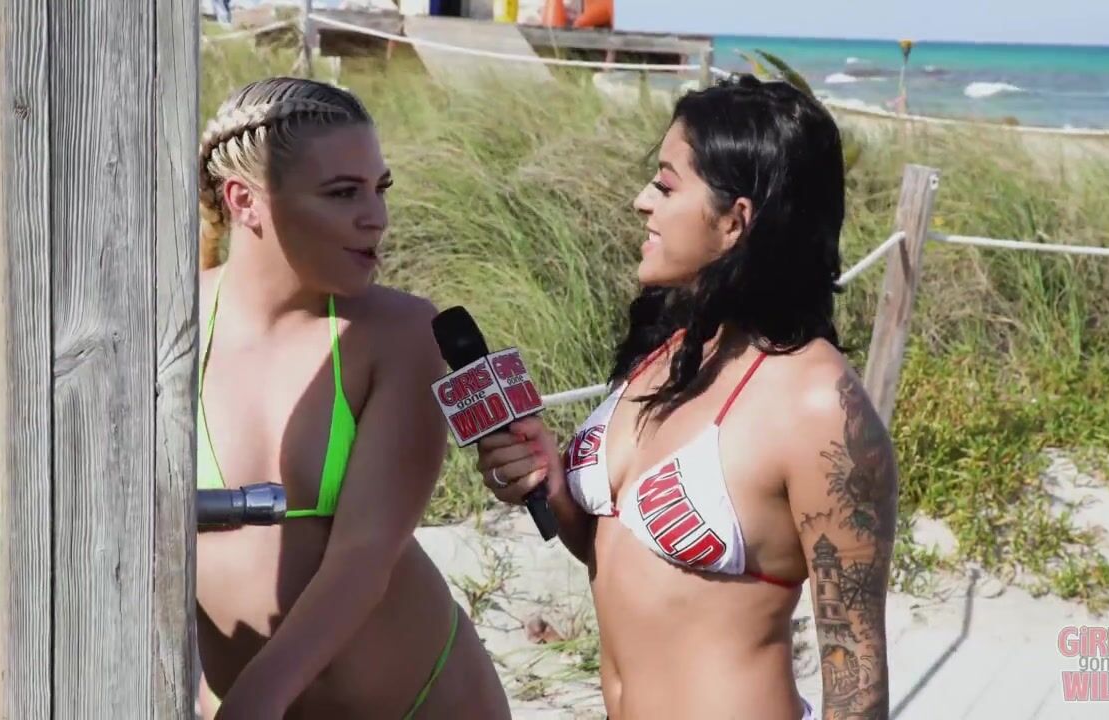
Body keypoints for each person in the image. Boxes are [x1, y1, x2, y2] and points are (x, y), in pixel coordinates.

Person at [477, 76, 898, 720]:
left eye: (666, 186)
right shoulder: (672, 349)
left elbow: (856, 676)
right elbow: (623, 562)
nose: (641, 201)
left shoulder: (819, 408)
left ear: (735, 221)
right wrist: (555, 488)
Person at [193, 76, 511, 720]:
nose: (377, 217)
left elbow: (364, 558)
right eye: (343, 193)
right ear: (244, 200)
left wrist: (253, 700)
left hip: (421, 705)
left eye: (379, 188)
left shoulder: (399, 334)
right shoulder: (171, 326)